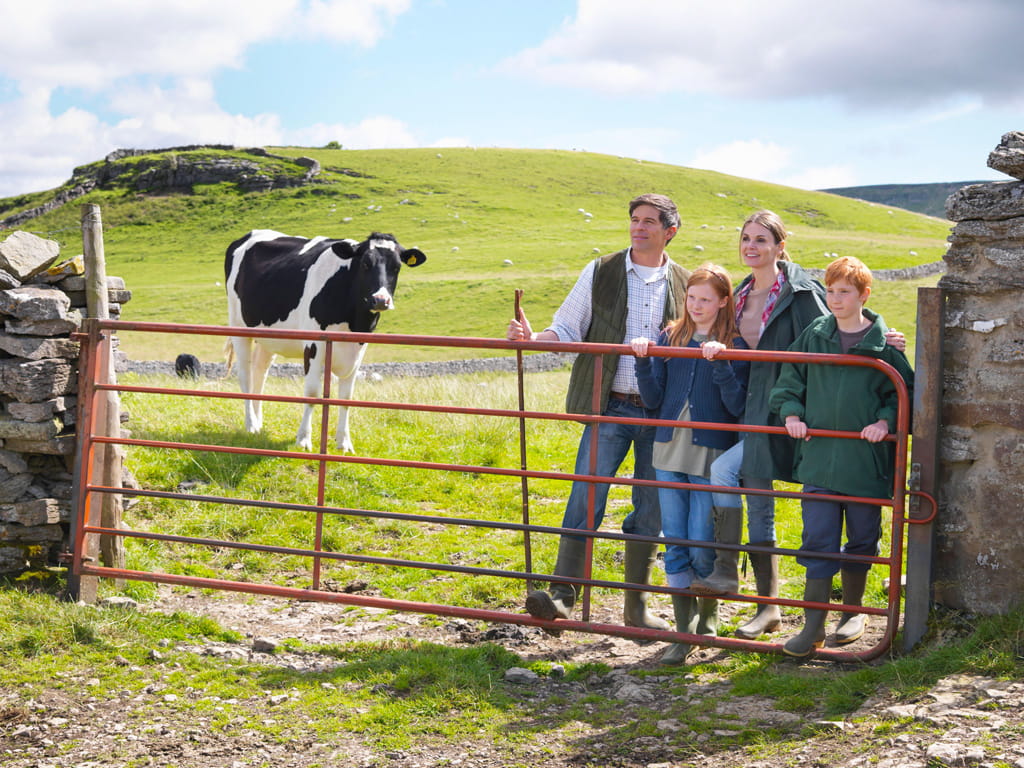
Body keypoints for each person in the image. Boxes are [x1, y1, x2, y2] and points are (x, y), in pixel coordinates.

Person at [689, 211, 905, 641]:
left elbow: (841, 319)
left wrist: (886, 338)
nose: (751, 246)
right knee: (753, 491)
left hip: (793, 416)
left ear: (780, 246)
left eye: (761, 240)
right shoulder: (741, 292)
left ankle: (760, 595)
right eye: (745, 238)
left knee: (751, 489)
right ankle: (766, 604)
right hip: (748, 408)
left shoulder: (801, 292)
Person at [507, 193, 690, 631]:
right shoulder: (600, 271)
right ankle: (562, 594)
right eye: (634, 219)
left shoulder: (685, 282)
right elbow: (567, 328)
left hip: (661, 413)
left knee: (652, 508)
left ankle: (637, 608)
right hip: (607, 405)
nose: (638, 227)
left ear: (670, 231)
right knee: (584, 497)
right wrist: (534, 339)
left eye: (649, 221)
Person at [768, 256, 914, 657]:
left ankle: (853, 613)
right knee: (817, 537)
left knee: (863, 536)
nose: (835, 299)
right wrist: (791, 413)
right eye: (830, 291)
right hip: (819, 457)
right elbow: (790, 377)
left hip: (864, 463)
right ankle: (812, 627)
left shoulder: (884, 345)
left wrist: (885, 422)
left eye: (844, 292)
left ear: (865, 294)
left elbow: (902, 394)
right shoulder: (815, 334)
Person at [631, 263, 750, 665]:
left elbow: (736, 407)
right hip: (668, 449)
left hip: (708, 451)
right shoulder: (672, 336)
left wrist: (722, 365)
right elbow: (652, 399)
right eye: (691, 298)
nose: (696, 305)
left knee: (702, 538)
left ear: (722, 301)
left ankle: (708, 622)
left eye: (705, 299)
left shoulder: (737, 345)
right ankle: (683, 631)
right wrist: (644, 360)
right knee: (675, 539)